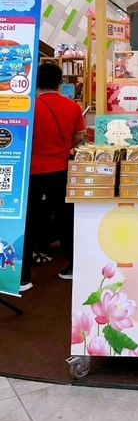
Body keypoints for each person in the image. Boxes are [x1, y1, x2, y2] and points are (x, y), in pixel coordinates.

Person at [20, 63, 85, 292]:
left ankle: (22, 276)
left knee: (26, 220)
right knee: (67, 217)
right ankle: (72, 267)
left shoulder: (27, 107)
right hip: (61, 171)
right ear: (60, 82)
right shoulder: (72, 107)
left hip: (31, 173)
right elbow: (79, 138)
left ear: (35, 82)